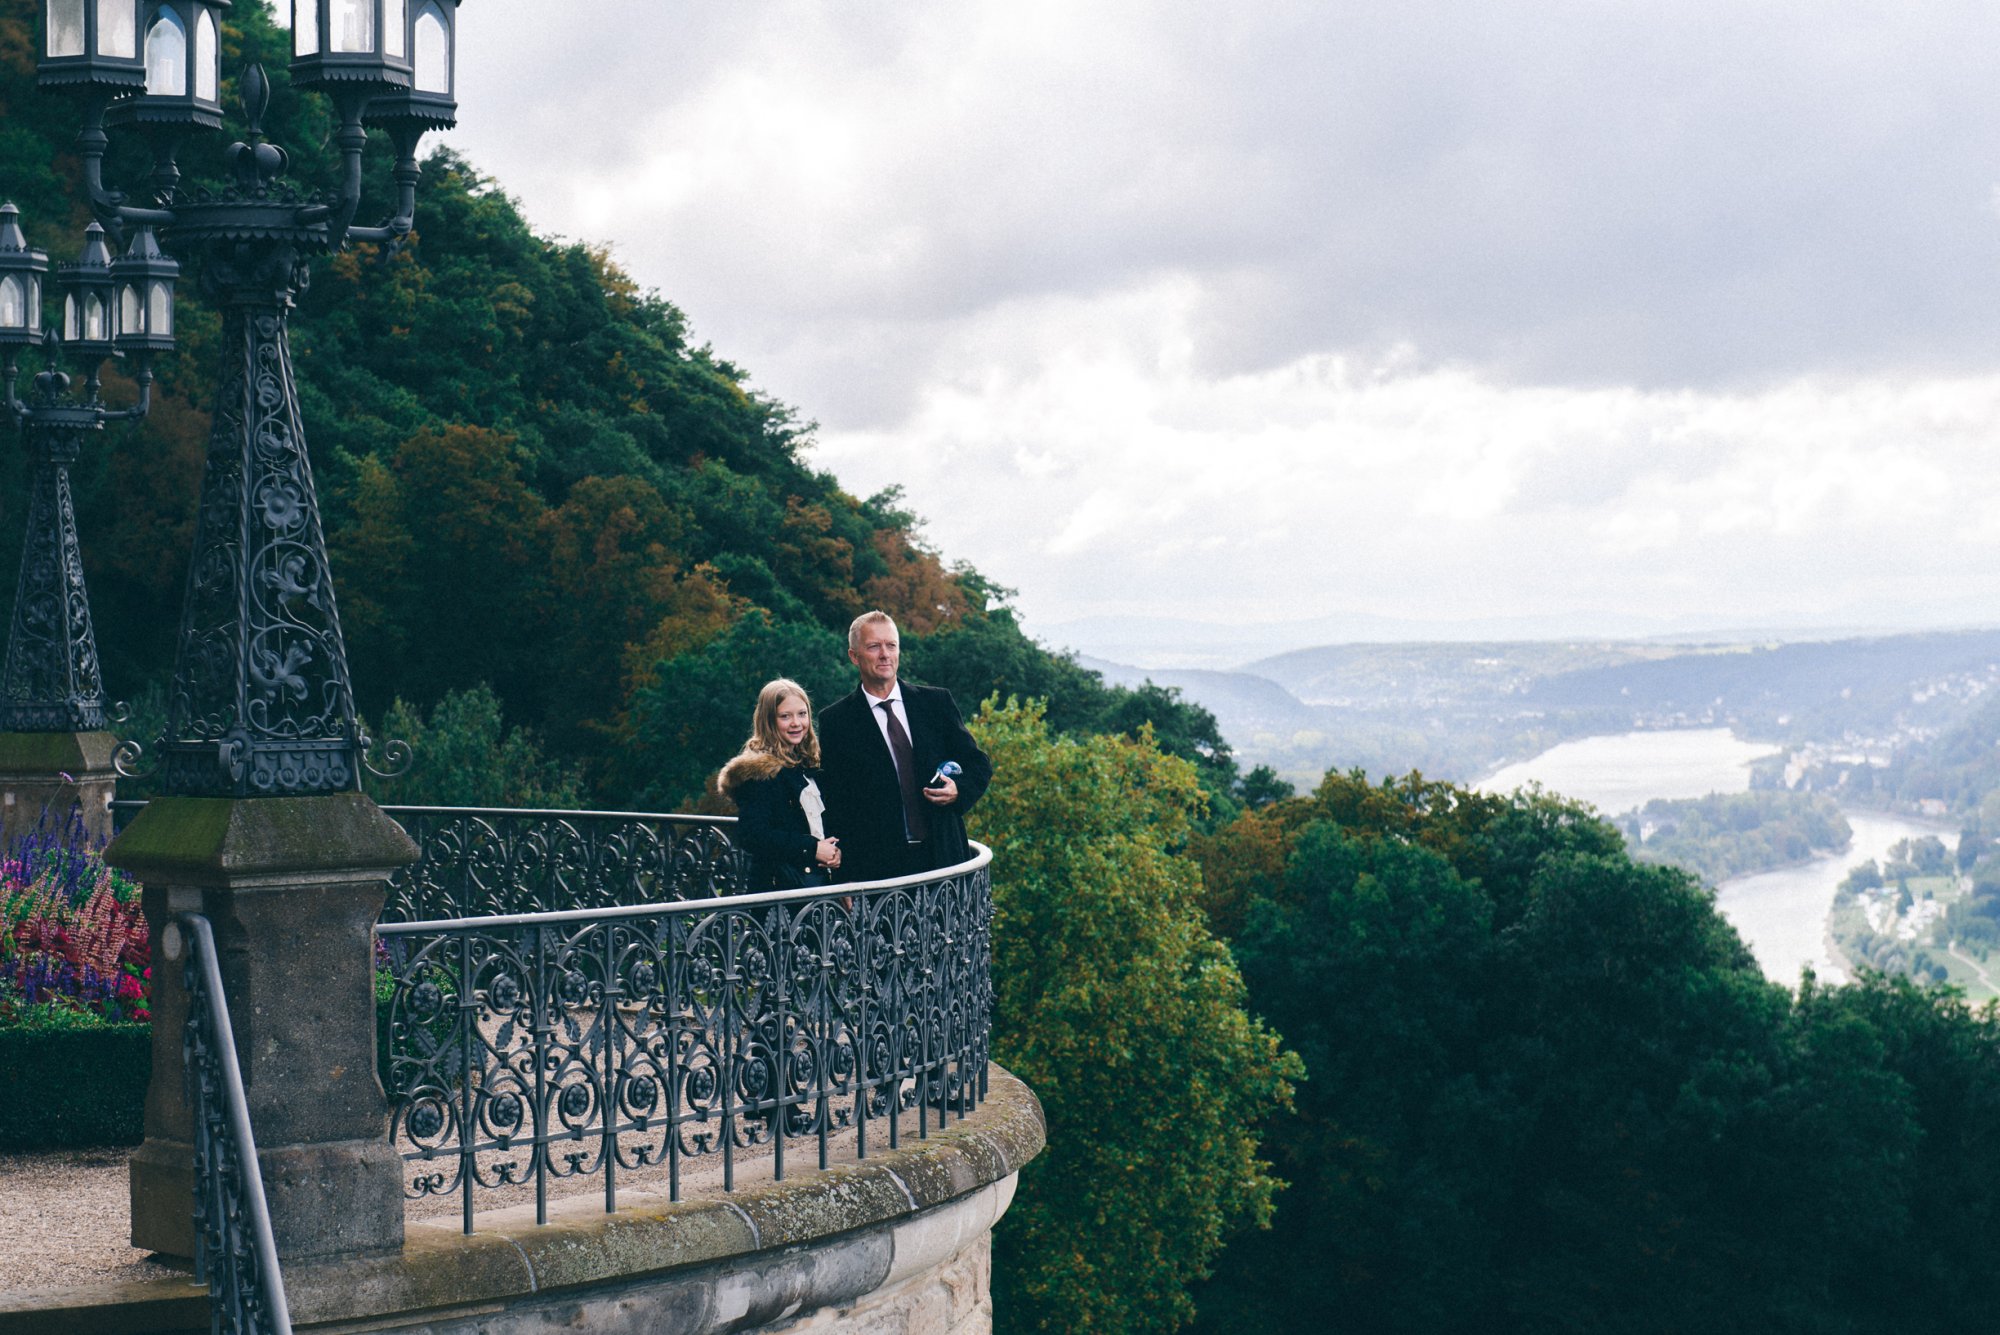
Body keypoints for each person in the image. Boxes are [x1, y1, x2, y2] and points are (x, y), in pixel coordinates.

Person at [818, 611, 992, 882]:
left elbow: (978, 764)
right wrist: (844, 878)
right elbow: (835, 803)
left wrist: (959, 790)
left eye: (891, 645)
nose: (884, 654)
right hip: (877, 871)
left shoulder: (936, 703)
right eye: (874, 646)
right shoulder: (836, 721)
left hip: (943, 859)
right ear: (854, 656)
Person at [718, 679, 842, 890]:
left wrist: (835, 852)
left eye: (802, 714)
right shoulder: (760, 773)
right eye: (785, 716)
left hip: (815, 887)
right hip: (779, 891)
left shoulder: (808, 765)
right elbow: (752, 835)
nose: (796, 723)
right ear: (768, 721)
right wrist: (812, 848)